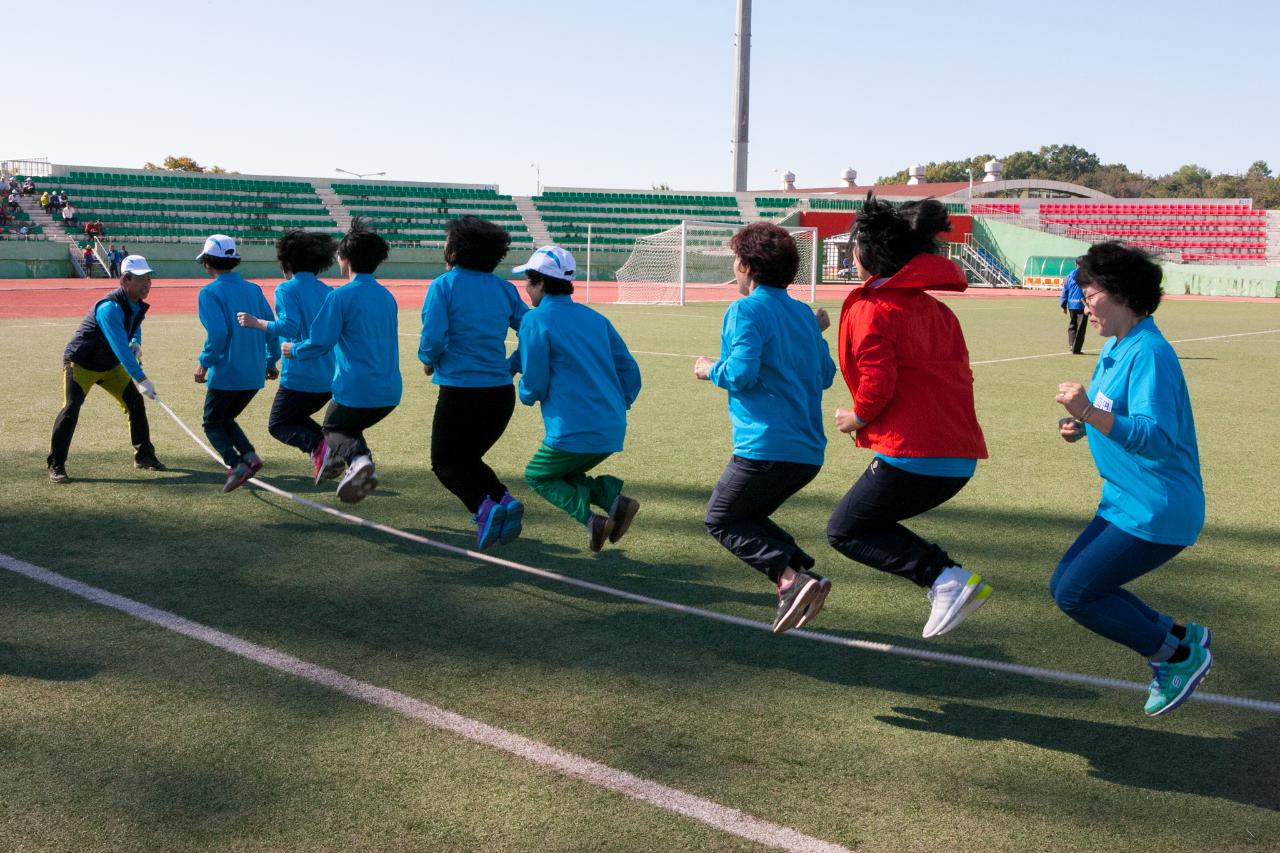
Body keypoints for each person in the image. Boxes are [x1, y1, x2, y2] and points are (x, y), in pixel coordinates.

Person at [1053, 241, 1210, 717]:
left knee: (1076, 593)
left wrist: (1087, 411)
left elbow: (1158, 438)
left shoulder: (1151, 354)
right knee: (1068, 583)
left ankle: (1175, 656)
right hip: (1125, 500)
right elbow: (1113, 413)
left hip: (1157, 506)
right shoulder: (1120, 347)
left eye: (1089, 289)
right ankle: (1180, 634)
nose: (1081, 300)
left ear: (1118, 292)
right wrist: (1082, 423)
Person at [828, 193, 991, 639]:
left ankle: (946, 579)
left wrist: (857, 417)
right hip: (958, 457)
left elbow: (878, 381)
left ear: (867, 253)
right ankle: (944, 577)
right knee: (866, 523)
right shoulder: (940, 312)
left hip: (915, 454)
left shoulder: (872, 307)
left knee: (846, 530)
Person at [693, 223, 837, 633]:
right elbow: (825, 375)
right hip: (807, 452)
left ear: (745, 265)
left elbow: (740, 373)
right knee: (748, 517)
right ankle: (800, 579)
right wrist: (813, 334)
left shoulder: (745, 309)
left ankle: (793, 580)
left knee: (722, 519)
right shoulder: (803, 316)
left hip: (765, 446)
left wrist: (708, 370)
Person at [514, 246, 642, 551]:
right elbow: (630, 370)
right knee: (566, 473)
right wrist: (618, 401)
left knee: (538, 476)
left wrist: (524, 394)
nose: (526, 288)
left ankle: (592, 518)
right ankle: (613, 501)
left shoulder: (535, 320)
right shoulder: (595, 318)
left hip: (571, 428)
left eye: (528, 282)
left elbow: (535, 380)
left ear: (541, 284)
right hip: (611, 424)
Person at [418, 215, 529, 549]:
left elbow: (433, 338)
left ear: (456, 248)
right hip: (499, 394)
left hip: (460, 392)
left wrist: (428, 360)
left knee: (445, 463)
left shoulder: (444, 285)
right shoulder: (504, 289)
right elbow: (534, 331)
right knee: (467, 459)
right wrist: (513, 363)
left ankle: (484, 509)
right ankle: (503, 501)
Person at [284, 221, 401, 503]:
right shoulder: (386, 296)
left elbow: (320, 342)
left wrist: (293, 349)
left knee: (333, 428)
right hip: (390, 390)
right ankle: (361, 464)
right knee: (350, 427)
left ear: (344, 259)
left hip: (356, 387)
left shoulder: (340, 296)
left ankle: (360, 462)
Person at [47, 254, 167, 482]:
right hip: (81, 362)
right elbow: (121, 348)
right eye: (141, 279)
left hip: (109, 366)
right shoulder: (109, 308)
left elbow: (134, 328)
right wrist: (141, 379)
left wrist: (136, 342)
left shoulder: (136, 304)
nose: (146, 284)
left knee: (134, 403)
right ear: (125, 280)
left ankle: (144, 456)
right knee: (71, 408)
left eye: (149, 278)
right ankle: (56, 464)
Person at [235, 230, 337, 477]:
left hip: (301, 374)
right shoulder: (329, 290)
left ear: (287, 262)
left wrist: (256, 322)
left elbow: (290, 326)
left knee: (278, 423)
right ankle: (327, 452)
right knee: (297, 417)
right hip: (329, 376)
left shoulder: (286, 289)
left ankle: (322, 447)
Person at [194, 234, 280, 492]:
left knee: (212, 423)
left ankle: (236, 464)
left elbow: (219, 334)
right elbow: (271, 326)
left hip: (228, 373)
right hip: (254, 374)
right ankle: (250, 456)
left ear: (208, 263)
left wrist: (204, 363)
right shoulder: (253, 289)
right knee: (226, 417)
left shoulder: (210, 292)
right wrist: (271, 360)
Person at [1061, 266, 1086, 354]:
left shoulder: (1069, 276)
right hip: (1082, 304)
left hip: (1071, 304)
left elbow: (1064, 290)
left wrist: (1063, 305)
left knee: (1072, 325)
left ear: (1076, 264)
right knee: (1081, 327)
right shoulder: (1086, 275)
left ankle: (1072, 345)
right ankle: (1076, 349)